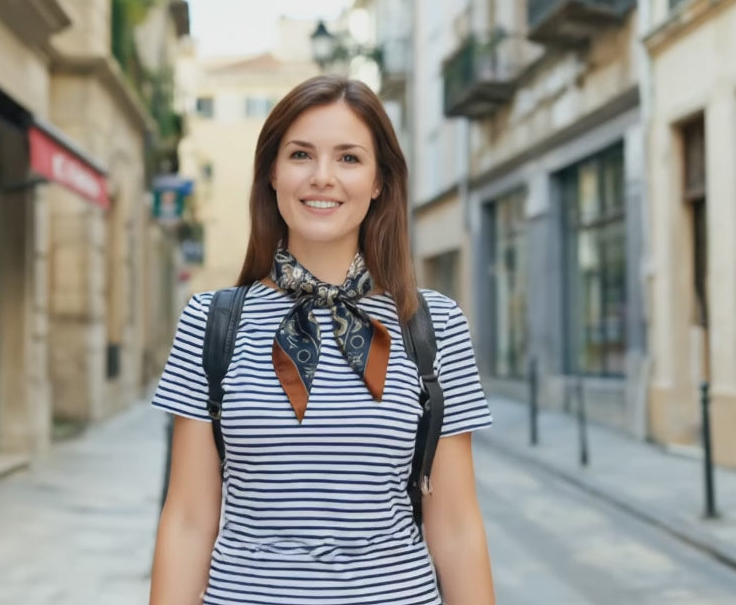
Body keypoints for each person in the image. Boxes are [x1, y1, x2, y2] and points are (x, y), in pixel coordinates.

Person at [150, 75, 495, 604]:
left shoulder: (434, 323)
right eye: (301, 155)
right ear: (272, 172)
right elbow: (189, 522)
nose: (322, 177)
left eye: (349, 158)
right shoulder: (210, 321)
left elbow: (456, 527)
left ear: (380, 181)